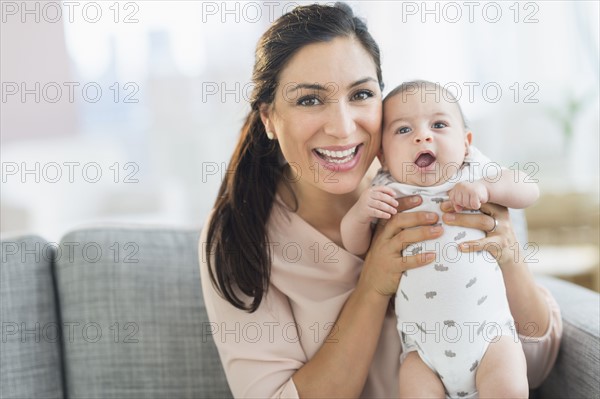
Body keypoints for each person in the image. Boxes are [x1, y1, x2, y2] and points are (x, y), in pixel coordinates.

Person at [199, 3, 562, 398]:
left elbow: (538, 366)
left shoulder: (445, 174)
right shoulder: (240, 238)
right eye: (309, 100)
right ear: (268, 118)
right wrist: (372, 287)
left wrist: (509, 258)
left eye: (361, 94)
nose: (342, 127)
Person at [341, 80, 539, 398]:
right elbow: (355, 244)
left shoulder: (473, 170)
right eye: (403, 130)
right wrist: (361, 214)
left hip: (491, 338)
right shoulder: (386, 189)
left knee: (510, 389)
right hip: (424, 352)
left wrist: (487, 189)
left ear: (466, 143)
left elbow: (529, 189)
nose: (423, 135)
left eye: (439, 124)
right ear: (383, 156)